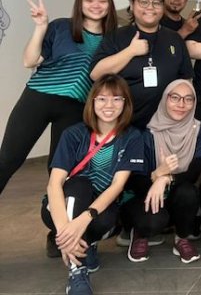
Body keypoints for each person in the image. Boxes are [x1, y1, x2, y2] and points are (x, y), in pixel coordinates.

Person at [0, 0, 117, 199]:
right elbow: (29, 61)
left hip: (76, 107)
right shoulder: (61, 27)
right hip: (38, 98)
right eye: (89, 0)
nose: (96, 5)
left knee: (60, 169)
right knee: (8, 158)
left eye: (102, 1)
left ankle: (55, 217)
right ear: (80, 3)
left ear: (109, 5)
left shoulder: (113, 40)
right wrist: (41, 27)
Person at [41, 74, 144, 295]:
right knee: (80, 185)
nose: (109, 105)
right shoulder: (74, 134)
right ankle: (76, 269)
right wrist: (66, 233)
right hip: (60, 209)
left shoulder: (132, 137)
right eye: (102, 99)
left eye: (116, 99)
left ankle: (88, 244)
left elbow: (117, 185)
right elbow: (54, 184)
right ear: (92, 102)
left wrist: (83, 220)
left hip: (99, 212)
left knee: (107, 217)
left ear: (125, 103)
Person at [119, 79, 201, 264]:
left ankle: (181, 238)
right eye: (175, 97)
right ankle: (140, 233)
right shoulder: (145, 133)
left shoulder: (200, 130)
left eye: (188, 99)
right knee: (152, 220)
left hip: (177, 195)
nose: (181, 104)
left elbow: (193, 173)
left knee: (188, 192)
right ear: (164, 99)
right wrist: (156, 174)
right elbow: (135, 180)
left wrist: (165, 178)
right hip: (146, 196)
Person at [90, 0, 193, 129]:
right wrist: (130, 51)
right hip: (123, 123)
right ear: (132, 5)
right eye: (143, 2)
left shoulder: (174, 39)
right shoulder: (116, 36)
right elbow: (96, 74)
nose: (150, 7)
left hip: (164, 125)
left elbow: (186, 80)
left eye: (156, 3)